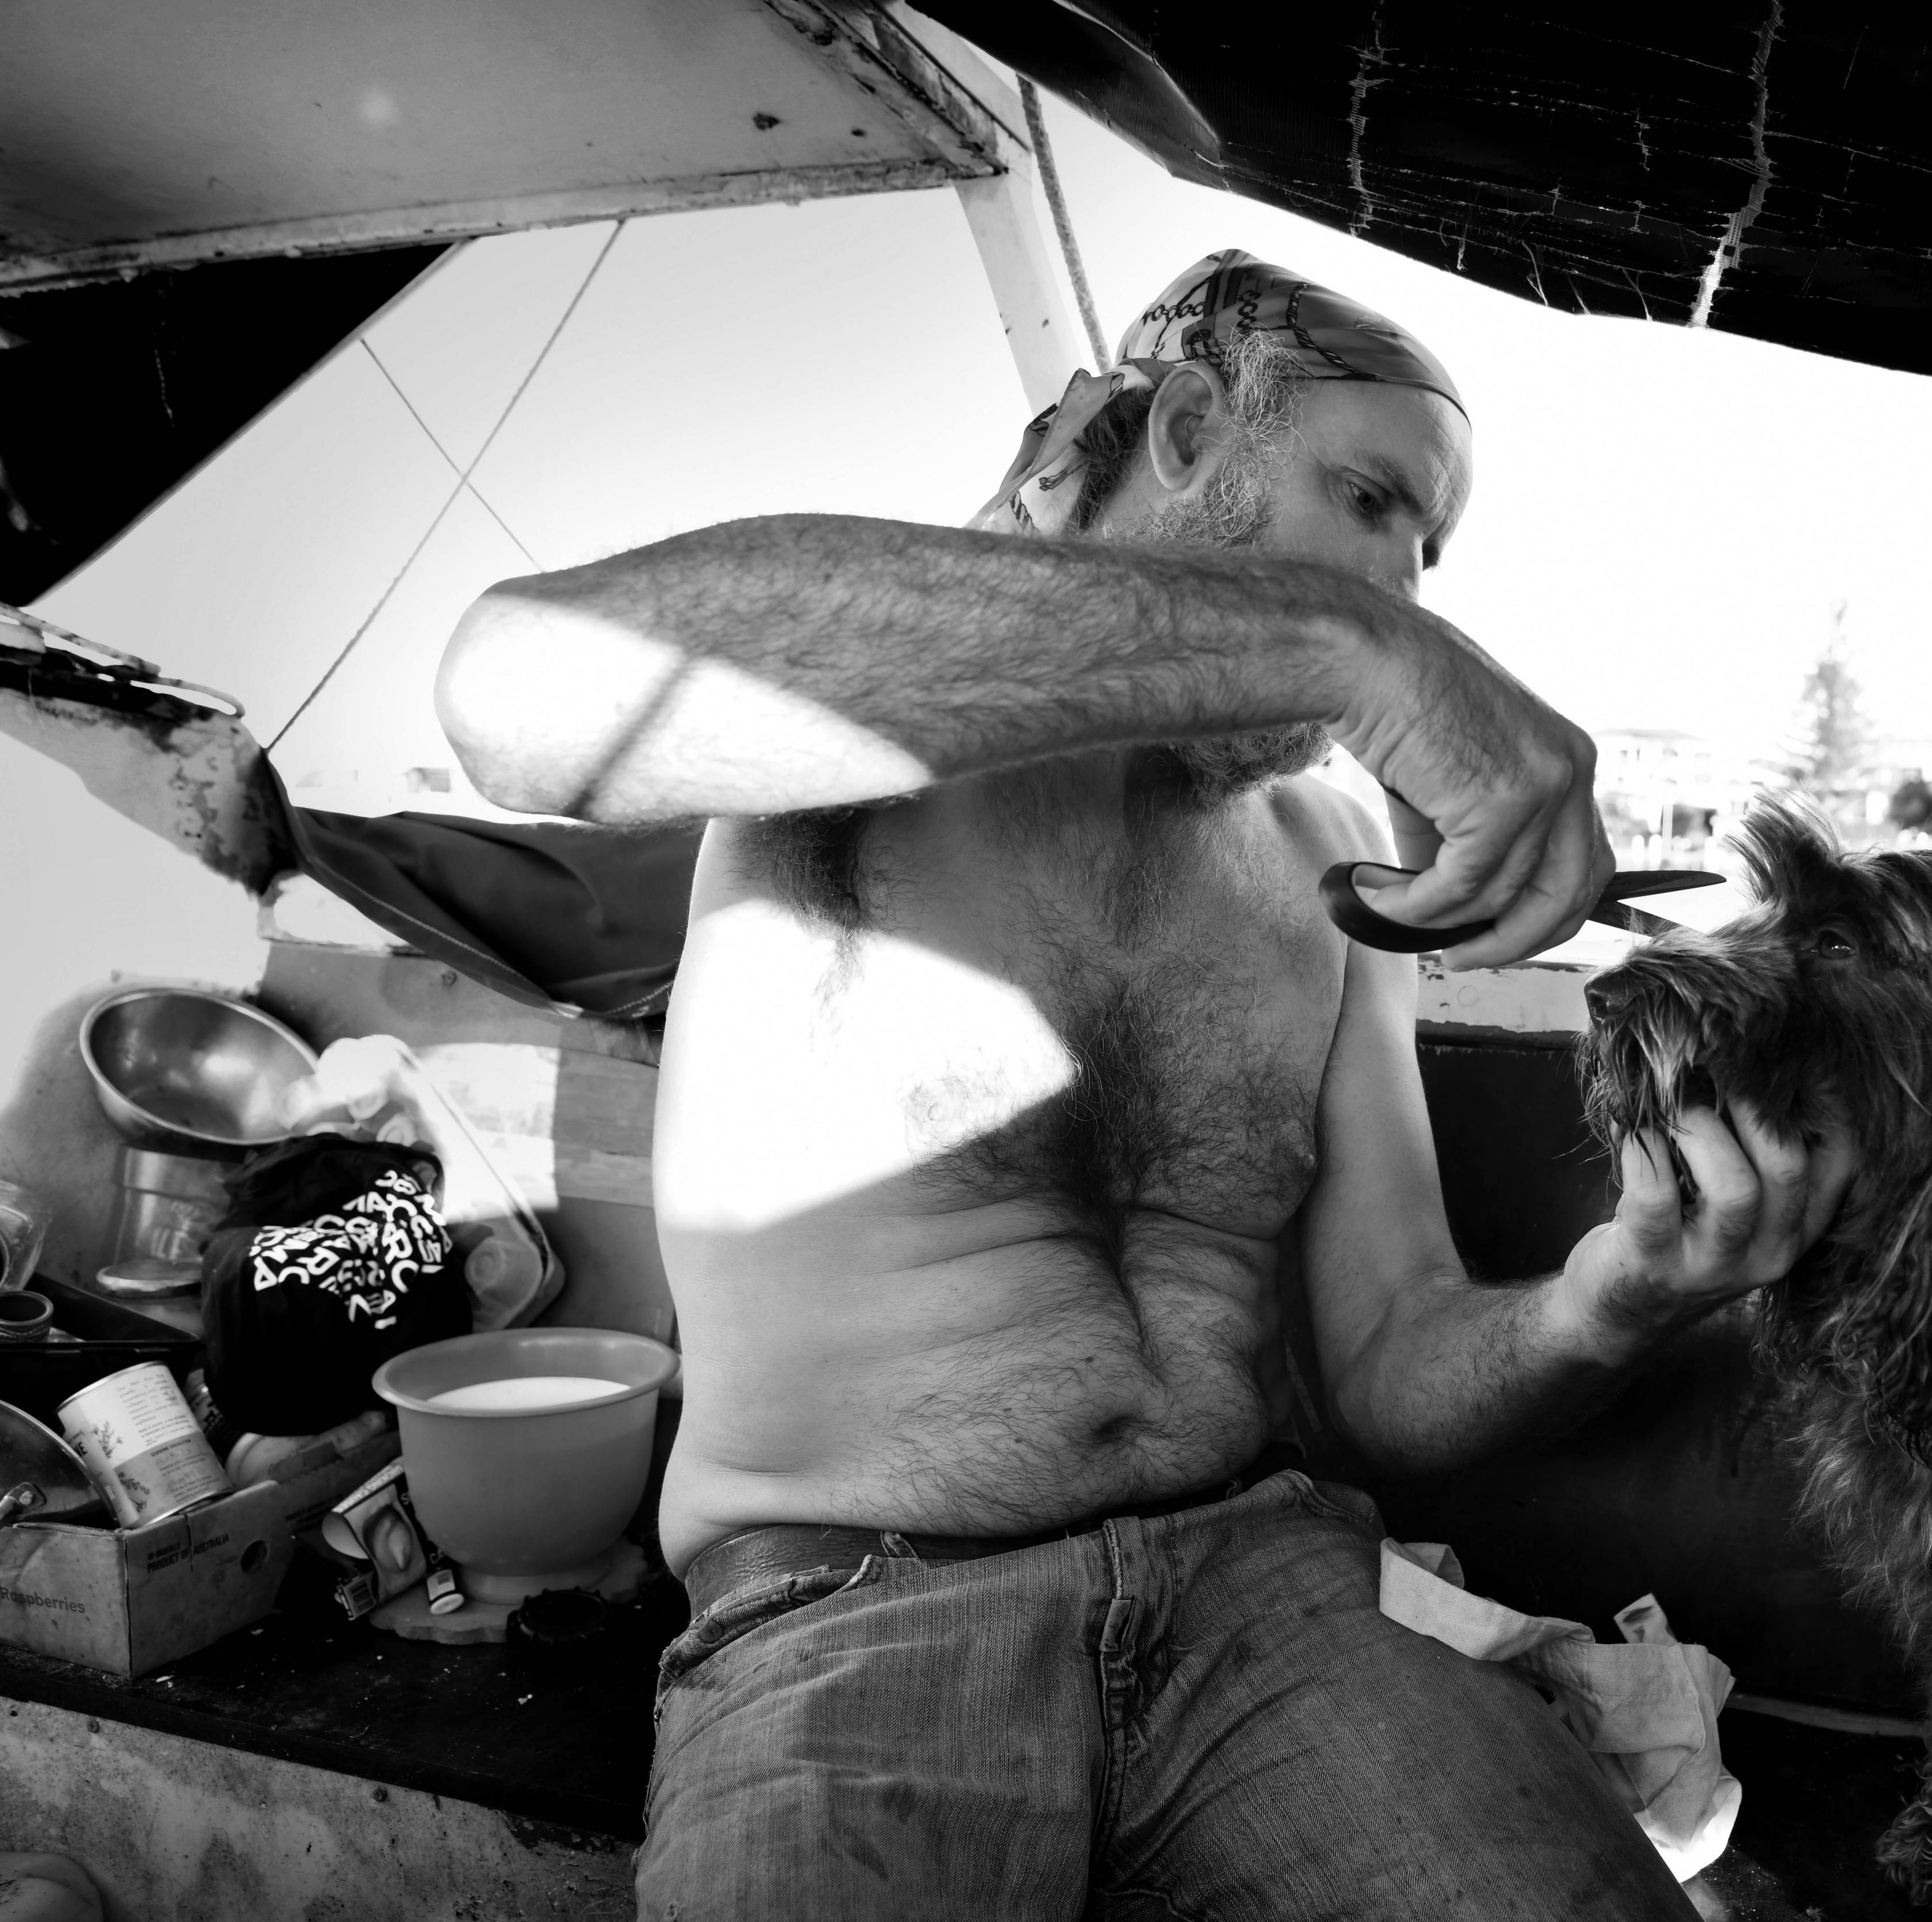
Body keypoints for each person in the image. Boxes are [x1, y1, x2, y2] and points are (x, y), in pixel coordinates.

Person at [434, 250, 1851, 1920]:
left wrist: (1613, 1301)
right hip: (856, 1616)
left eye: (1426, 550)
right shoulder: (869, 724)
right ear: (1186, 427)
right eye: (1371, 498)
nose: (1408, 581)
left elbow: (1388, 1364)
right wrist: (1347, 651)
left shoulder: (1331, 870)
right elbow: (518, 699)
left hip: (1275, 1592)